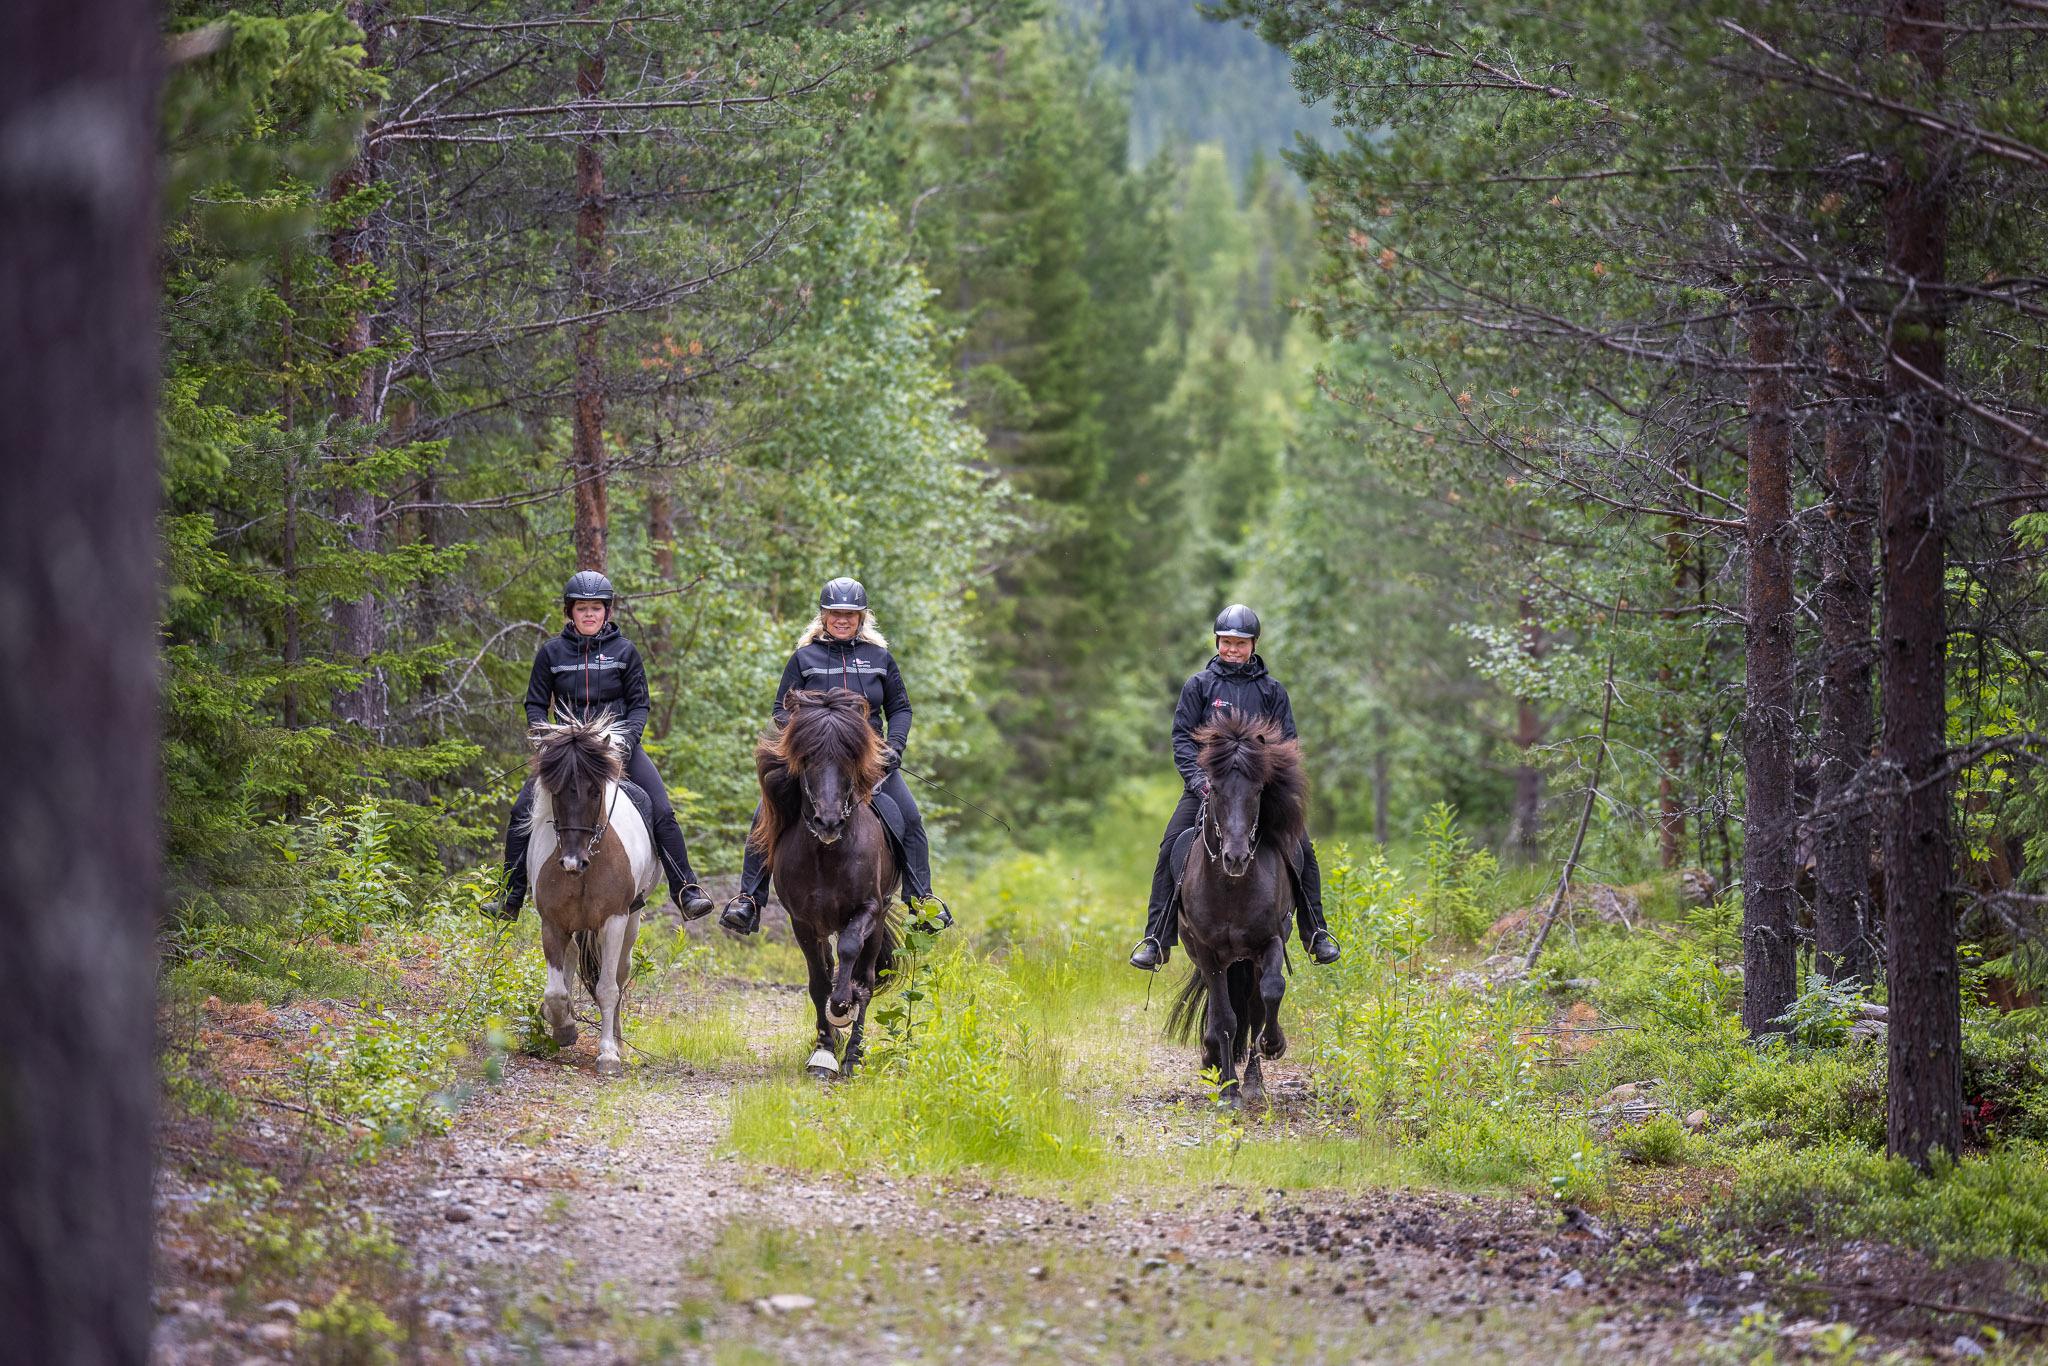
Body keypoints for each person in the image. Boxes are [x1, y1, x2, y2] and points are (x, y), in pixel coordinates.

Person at [721, 576, 950, 934]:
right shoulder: (804, 658)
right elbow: (781, 710)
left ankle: (921, 900)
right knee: (764, 814)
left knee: (910, 818)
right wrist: (802, 740)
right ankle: (749, 900)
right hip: (814, 761)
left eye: (850, 614)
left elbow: (900, 709)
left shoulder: (879, 659)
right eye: (835, 614)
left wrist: (896, 747)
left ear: (862, 617)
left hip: (866, 763)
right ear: (823, 616)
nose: (842, 620)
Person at [1128, 604, 1341, 970]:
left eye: (1240, 643)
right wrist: (1199, 783)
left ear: (1253, 645)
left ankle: (1315, 932)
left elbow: (1287, 742)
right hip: (1208, 790)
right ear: (1217, 642)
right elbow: (1181, 738)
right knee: (1170, 847)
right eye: (1226, 642)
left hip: (1260, 792)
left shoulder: (1272, 691)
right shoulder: (1199, 686)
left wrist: (1267, 785)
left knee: (1301, 847)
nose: (1232, 650)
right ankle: (1156, 937)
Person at [493, 571, 715, 921]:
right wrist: (545, 740)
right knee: (522, 810)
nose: (590, 615)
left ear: (607, 612)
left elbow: (640, 704)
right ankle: (509, 895)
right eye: (582, 609)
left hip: (616, 748)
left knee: (661, 809)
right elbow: (535, 704)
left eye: (596, 608)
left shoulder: (625, 652)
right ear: (571, 612)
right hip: (567, 752)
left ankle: (685, 889)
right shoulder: (551, 653)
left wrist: (627, 740)